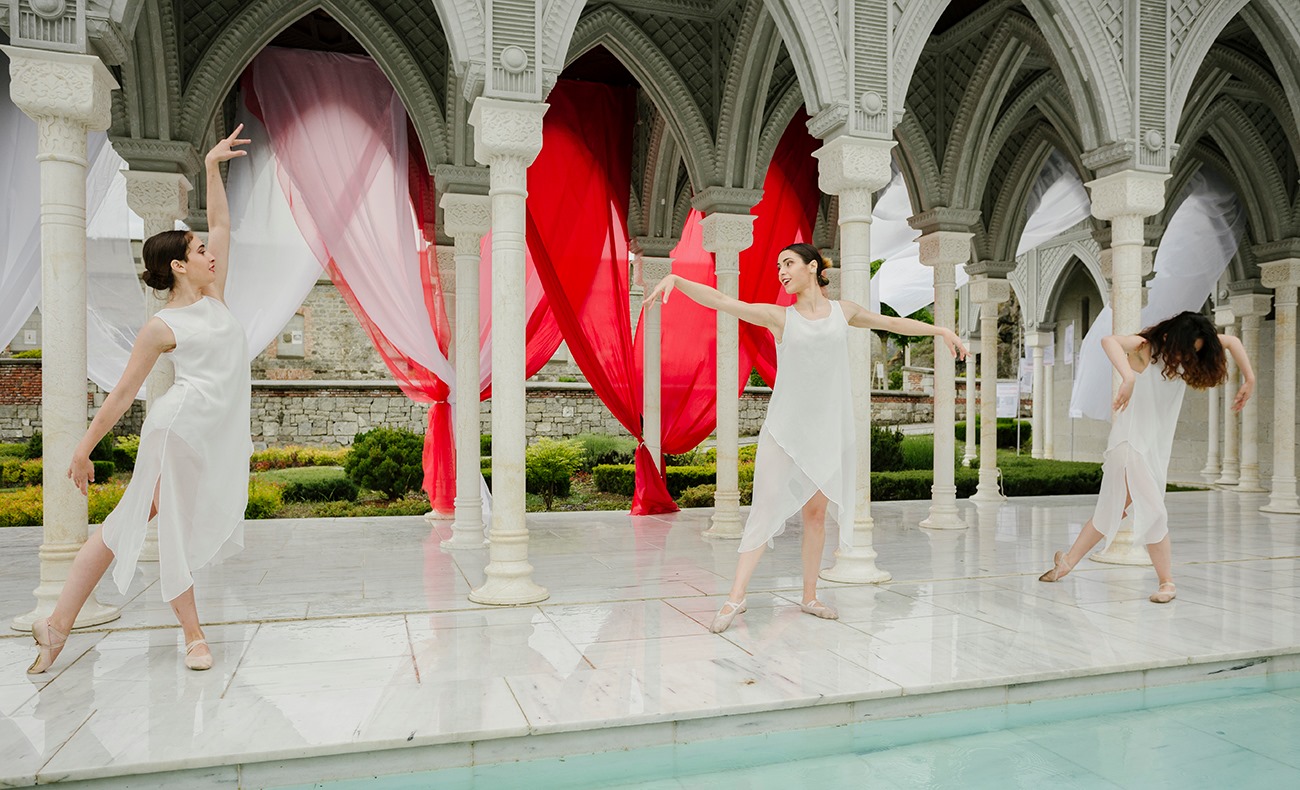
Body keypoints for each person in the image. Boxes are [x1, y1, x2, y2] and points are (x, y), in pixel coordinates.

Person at [643, 243, 966, 633]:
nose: (782, 271)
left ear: (812, 267)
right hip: (784, 430)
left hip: (826, 432)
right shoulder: (780, 317)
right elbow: (724, 301)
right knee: (763, 510)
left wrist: (940, 329)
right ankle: (736, 596)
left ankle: (809, 596)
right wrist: (677, 280)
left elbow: (892, 323)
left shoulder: (845, 312)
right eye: (779, 265)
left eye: (788, 263)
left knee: (815, 516)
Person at [28, 125, 253, 674]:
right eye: (200, 250)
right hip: (179, 431)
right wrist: (83, 448)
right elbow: (125, 391)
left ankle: (55, 625)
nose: (210, 253)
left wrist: (212, 167)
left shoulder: (215, 296)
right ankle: (193, 637)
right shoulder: (161, 326)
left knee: (125, 523)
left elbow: (222, 223)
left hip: (212, 434)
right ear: (179, 265)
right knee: (168, 525)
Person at [1038, 310, 1253, 603]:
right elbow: (1109, 340)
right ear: (1171, 338)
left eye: (1194, 352)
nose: (1187, 357)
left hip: (1154, 446)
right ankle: (1167, 583)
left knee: (1112, 509)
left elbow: (1233, 342)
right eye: (1185, 349)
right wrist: (1127, 377)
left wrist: (1250, 378)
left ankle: (1066, 562)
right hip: (1131, 441)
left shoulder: (1188, 351)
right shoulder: (1145, 347)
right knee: (1154, 509)